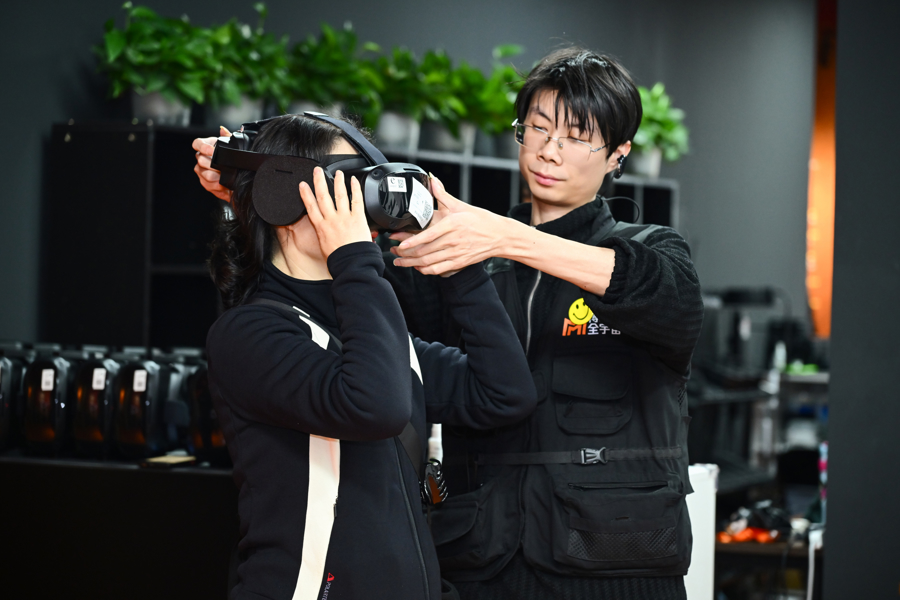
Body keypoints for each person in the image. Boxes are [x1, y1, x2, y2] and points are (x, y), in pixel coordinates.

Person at [387, 48, 704, 600]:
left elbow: (668, 302)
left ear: (618, 154)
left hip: (616, 564)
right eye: (537, 128)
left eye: (576, 137)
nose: (549, 151)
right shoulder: (468, 259)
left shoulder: (653, 250)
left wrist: (508, 238)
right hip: (482, 561)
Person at [203, 114, 536, 600]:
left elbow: (505, 393)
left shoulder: (367, 333)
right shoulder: (248, 335)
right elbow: (375, 406)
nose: (363, 209)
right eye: (347, 188)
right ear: (283, 198)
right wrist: (355, 257)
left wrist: (457, 265)